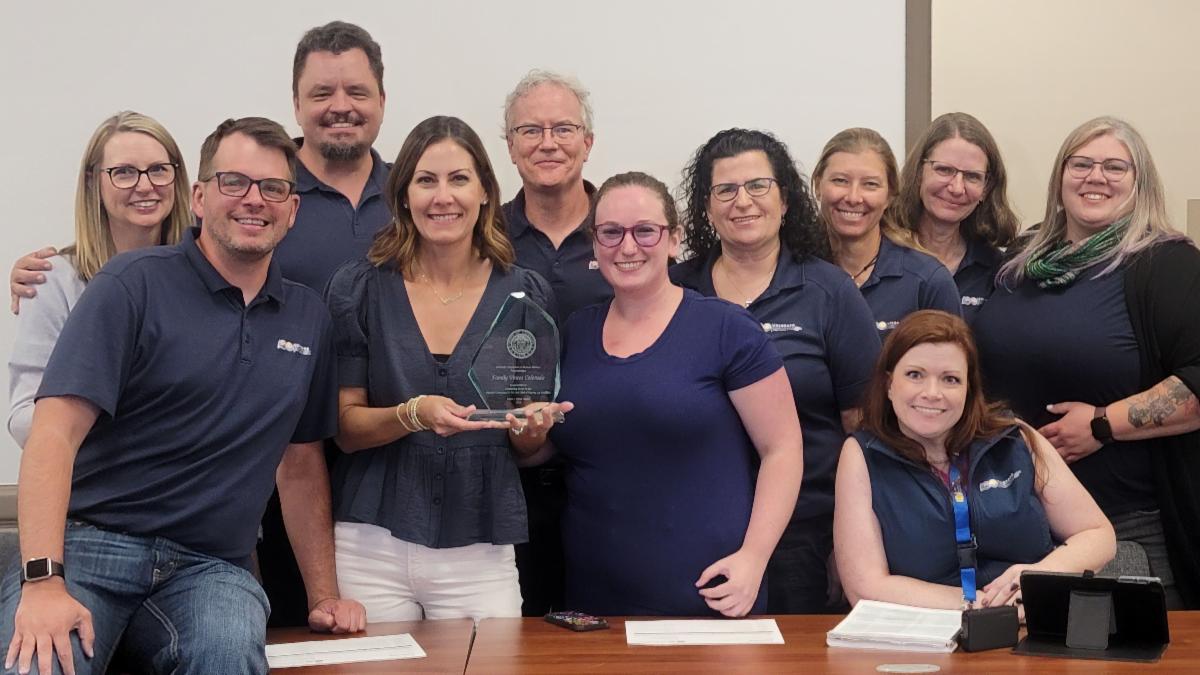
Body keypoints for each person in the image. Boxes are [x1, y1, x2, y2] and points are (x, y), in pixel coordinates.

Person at [0, 117, 365, 675]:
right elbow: (53, 431)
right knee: (39, 665)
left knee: (228, 657)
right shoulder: (131, 284)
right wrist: (44, 581)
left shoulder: (309, 317)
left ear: (292, 209)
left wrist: (323, 596)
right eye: (234, 182)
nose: (253, 200)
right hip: (91, 547)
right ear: (199, 197)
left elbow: (299, 461)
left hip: (211, 567)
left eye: (273, 188)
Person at [326, 115, 568, 621]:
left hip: (480, 546)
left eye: (458, 179)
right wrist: (412, 413)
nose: (443, 197)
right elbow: (345, 429)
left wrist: (531, 429)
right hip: (371, 544)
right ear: (403, 195)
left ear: (484, 191)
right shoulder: (360, 289)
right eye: (426, 180)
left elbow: (525, 445)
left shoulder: (524, 294)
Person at [530, 171, 803, 617]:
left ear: (674, 240)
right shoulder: (574, 332)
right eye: (611, 233)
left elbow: (783, 448)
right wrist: (524, 437)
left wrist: (754, 558)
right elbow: (554, 446)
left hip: (712, 592)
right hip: (594, 601)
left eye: (645, 231)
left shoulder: (725, 329)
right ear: (595, 246)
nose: (628, 246)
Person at [974, 116, 1200, 609]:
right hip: (1016, 519)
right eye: (1081, 164)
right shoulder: (1022, 260)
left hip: (1124, 527)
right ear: (1060, 177)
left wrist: (1102, 424)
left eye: (1115, 166)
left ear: (1141, 184)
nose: (1095, 177)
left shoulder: (1167, 264)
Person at [672, 128, 880, 613]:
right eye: (725, 190)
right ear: (706, 208)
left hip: (803, 536)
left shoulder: (829, 292)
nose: (742, 201)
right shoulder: (675, 291)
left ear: (785, 200)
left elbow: (865, 429)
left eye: (758, 186)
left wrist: (849, 543)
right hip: (690, 527)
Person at [835, 310, 1115, 612]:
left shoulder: (1015, 438)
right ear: (889, 384)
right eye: (915, 375)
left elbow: (1098, 535)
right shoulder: (862, 454)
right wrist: (978, 605)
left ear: (969, 390)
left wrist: (1038, 577)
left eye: (950, 379)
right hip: (924, 636)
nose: (932, 393)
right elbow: (865, 586)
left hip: (1029, 619)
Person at [8, 111, 191, 447]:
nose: (145, 185)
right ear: (93, 182)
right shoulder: (53, 281)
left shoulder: (205, 276)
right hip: (96, 488)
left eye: (158, 170)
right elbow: (22, 418)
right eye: (123, 172)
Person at [500, 69, 611, 616]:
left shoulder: (623, 233)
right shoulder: (484, 238)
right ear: (510, 146)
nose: (547, 143)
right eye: (530, 130)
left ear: (587, 143)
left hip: (612, 472)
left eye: (563, 129)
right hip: (509, 477)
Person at [812, 128, 960, 336]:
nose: (854, 197)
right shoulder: (793, 273)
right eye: (840, 181)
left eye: (870, 184)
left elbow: (951, 364)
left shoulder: (928, 282)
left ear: (890, 194)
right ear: (818, 185)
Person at [887, 113, 1020, 322]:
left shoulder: (996, 270)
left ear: (986, 188)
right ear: (919, 172)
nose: (957, 188)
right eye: (944, 170)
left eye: (972, 176)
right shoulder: (882, 257)